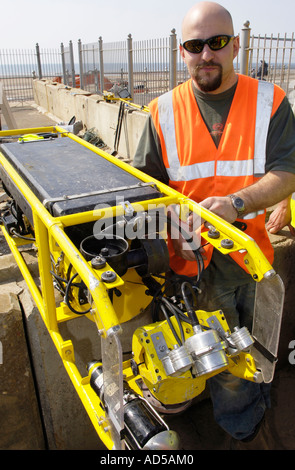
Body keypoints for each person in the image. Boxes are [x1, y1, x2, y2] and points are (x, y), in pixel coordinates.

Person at [133, 1, 295, 448]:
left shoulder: (270, 102)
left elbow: (288, 170)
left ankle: (239, 428)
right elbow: (144, 190)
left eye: (217, 43)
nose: (206, 54)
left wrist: (239, 202)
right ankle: (188, 407)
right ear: (181, 52)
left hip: (248, 263)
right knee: (188, 354)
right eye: (195, 45)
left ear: (235, 45)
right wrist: (168, 235)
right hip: (185, 269)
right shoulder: (161, 112)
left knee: (239, 362)